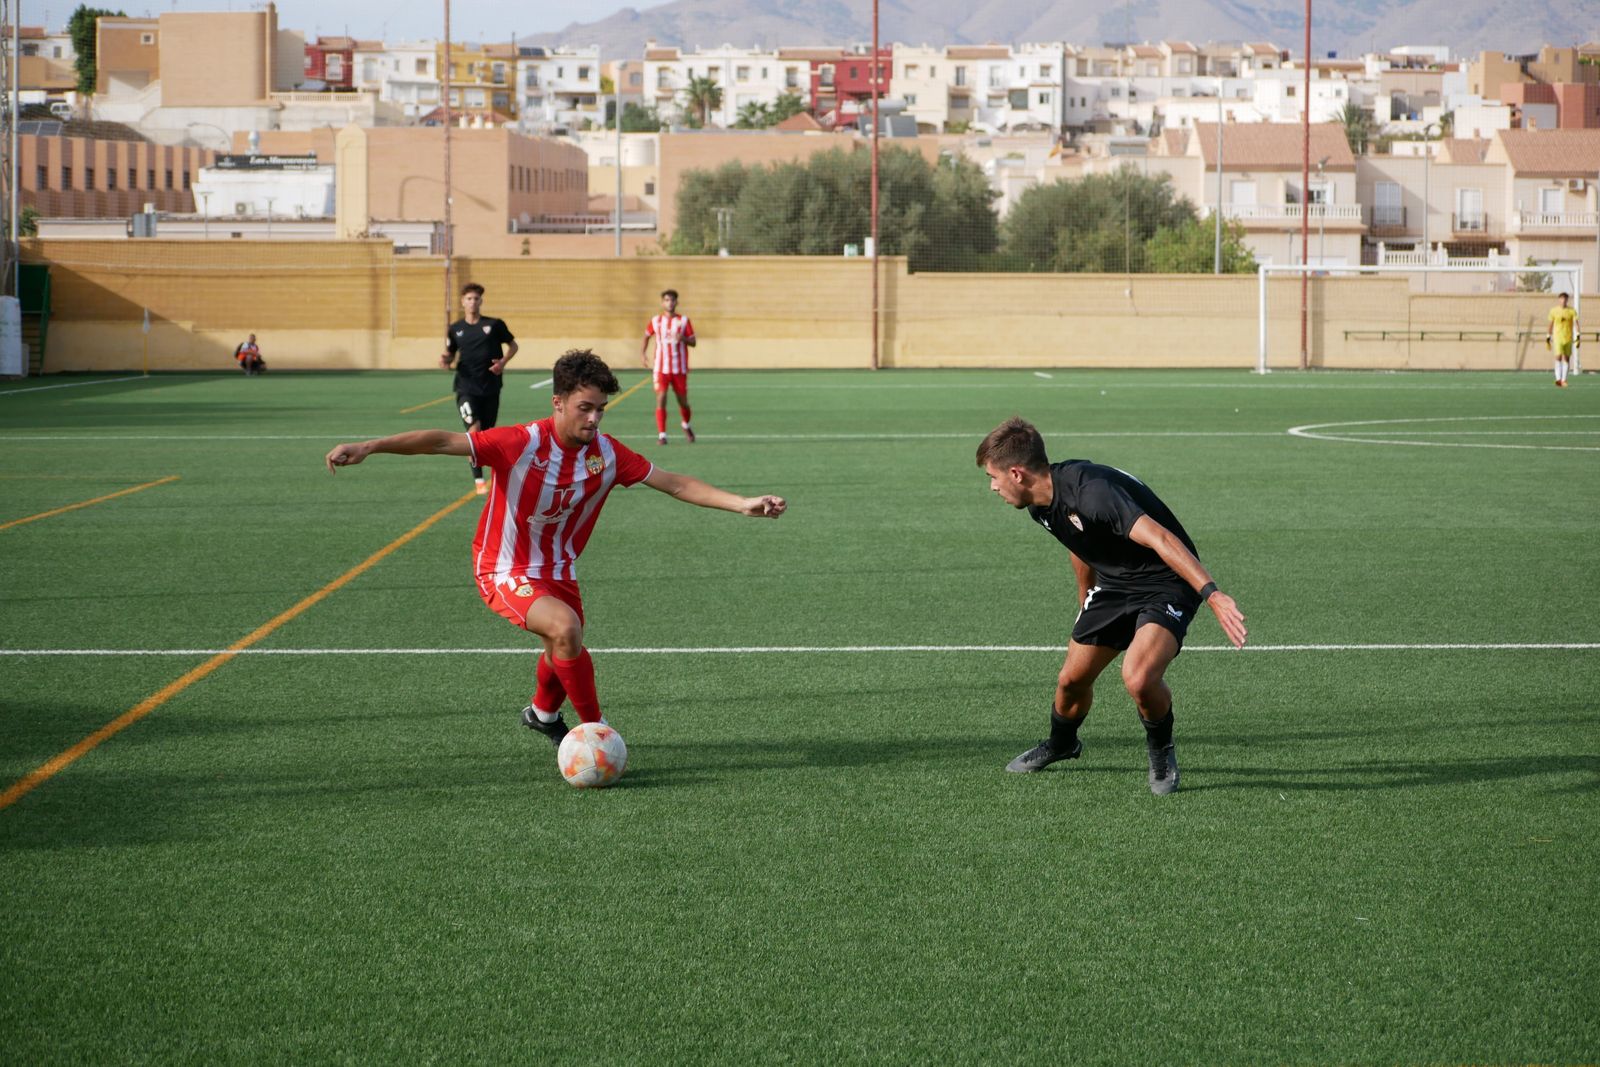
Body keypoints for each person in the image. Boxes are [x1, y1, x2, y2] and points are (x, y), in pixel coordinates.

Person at [325, 349, 786, 751]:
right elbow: (444, 440)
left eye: (602, 410)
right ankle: (596, 732)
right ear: (558, 402)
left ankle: (542, 715)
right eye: (585, 408)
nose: (594, 419)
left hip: (559, 569)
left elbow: (676, 483)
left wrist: (742, 504)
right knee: (564, 628)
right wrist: (371, 446)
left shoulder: (606, 453)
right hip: (503, 567)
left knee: (561, 642)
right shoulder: (520, 443)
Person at [976, 417, 1247, 796]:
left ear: (1017, 474)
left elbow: (1162, 538)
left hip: (1166, 581)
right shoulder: (1039, 503)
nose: (992, 486)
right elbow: (1079, 542)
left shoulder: (1092, 492)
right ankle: (1062, 744)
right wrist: (1086, 598)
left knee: (1138, 677)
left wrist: (1212, 594)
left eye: (993, 476)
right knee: (1070, 681)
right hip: (1115, 584)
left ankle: (1161, 751)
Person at [442, 282, 519, 493]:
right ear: (462, 302)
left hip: (490, 387)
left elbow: (513, 345)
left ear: (481, 301)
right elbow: (450, 352)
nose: (472, 302)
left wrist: (502, 363)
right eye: (469, 298)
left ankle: (495, 474)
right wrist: (446, 360)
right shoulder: (455, 329)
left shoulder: (494, 325)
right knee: (473, 431)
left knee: (486, 435)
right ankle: (478, 481)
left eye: (476, 298)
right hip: (465, 388)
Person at [641, 288, 696, 445]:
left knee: (683, 402)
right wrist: (643, 354)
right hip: (660, 369)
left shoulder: (684, 321)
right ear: (662, 302)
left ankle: (686, 424)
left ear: (676, 302)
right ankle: (662, 435)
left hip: (679, 369)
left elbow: (693, 342)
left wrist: (684, 339)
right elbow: (646, 336)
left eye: (672, 300)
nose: (669, 303)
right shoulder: (656, 321)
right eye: (666, 300)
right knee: (661, 398)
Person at [1546, 292, 1579, 388]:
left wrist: (1578, 336)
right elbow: (1551, 324)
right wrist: (1548, 336)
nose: (1563, 301)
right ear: (1559, 300)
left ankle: (1564, 380)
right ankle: (1558, 379)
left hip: (1568, 338)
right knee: (1558, 357)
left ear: (1567, 300)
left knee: (1566, 358)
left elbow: (1576, 323)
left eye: (1565, 299)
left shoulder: (1572, 311)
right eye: (1561, 299)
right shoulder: (1553, 311)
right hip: (1557, 338)